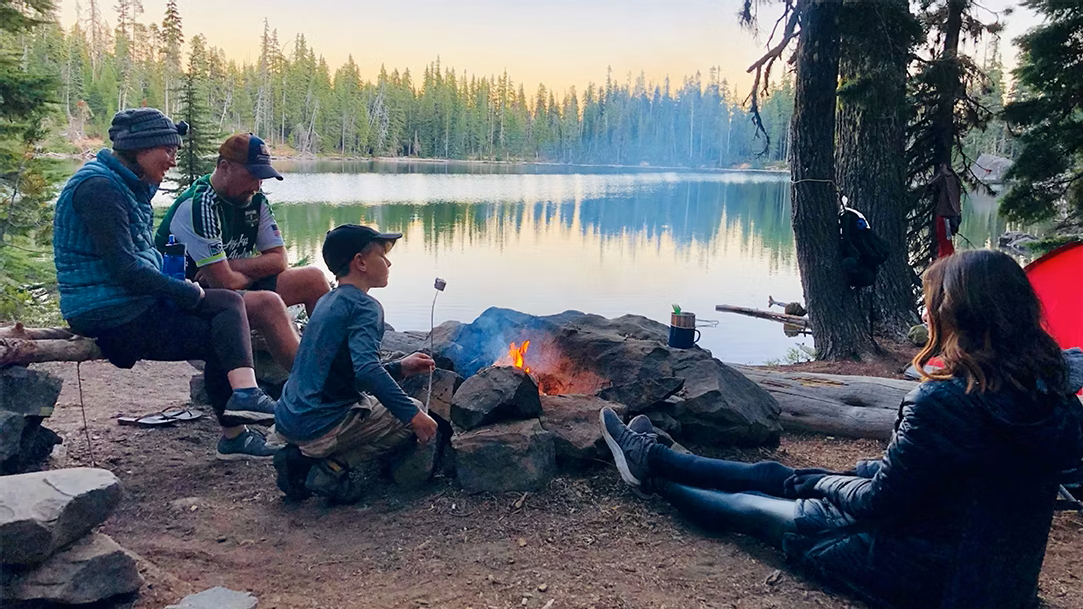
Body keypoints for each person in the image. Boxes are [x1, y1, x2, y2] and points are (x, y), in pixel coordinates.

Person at [599, 249, 1083, 609]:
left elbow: (880, 504)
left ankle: (651, 476)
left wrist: (824, 482)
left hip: (918, 577)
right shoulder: (1054, 393)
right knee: (780, 474)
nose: (927, 311)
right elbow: (963, 477)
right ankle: (655, 454)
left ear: (958, 315)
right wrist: (860, 473)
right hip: (996, 583)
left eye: (933, 302)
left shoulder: (945, 401)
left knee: (756, 508)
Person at [53, 109, 279, 460]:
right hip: (106, 311)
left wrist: (180, 284)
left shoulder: (124, 184)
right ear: (139, 148)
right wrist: (185, 290)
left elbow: (139, 261)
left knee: (227, 307)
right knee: (224, 319)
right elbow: (125, 268)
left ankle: (243, 407)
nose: (173, 161)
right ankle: (239, 421)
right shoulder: (98, 189)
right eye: (168, 151)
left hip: (127, 303)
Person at [271, 224, 441, 503]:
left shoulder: (326, 301)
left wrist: (400, 367)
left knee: (377, 400)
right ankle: (330, 468)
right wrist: (413, 414)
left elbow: (343, 370)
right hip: (319, 424)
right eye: (381, 255)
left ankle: (297, 458)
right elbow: (366, 370)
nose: (388, 262)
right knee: (413, 415)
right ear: (360, 262)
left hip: (289, 418)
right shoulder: (365, 307)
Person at [154, 133, 329, 369]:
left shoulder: (255, 202)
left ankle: (335, 363)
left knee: (314, 279)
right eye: (252, 176)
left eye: (262, 178)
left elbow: (279, 261)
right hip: (188, 300)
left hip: (231, 287)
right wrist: (237, 271)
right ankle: (313, 385)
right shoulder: (200, 204)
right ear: (225, 167)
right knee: (269, 303)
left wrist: (232, 266)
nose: (257, 186)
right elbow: (223, 283)